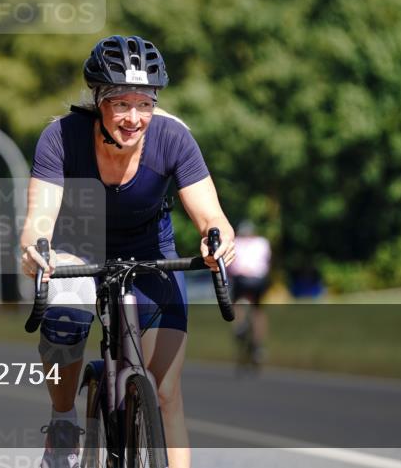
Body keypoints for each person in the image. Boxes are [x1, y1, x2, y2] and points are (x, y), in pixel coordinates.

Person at [20, 35, 236, 468]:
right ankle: (63, 422)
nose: (134, 118)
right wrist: (34, 250)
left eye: (145, 104)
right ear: (99, 101)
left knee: (167, 392)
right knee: (67, 313)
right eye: (121, 103)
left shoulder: (173, 139)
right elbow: (39, 222)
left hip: (150, 254)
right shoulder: (61, 138)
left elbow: (213, 216)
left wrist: (217, 241)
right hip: (79, 250)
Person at [228, 220, 271, 367]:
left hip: (241, 280)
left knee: (235, 303)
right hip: (259, 281)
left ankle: (239, 325)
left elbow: (231, 266)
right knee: (258, 310)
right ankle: (258, 344)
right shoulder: (262, 242)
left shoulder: (236, 242)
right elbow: (266, 262)